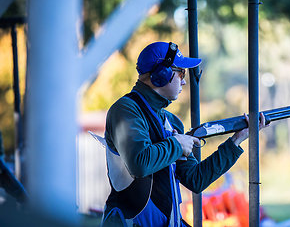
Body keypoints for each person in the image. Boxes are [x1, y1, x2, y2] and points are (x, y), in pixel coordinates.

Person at [101, 41, 268, 227]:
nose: (184, 80)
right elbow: (139, 163)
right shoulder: (126, 110)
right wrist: (177, 144)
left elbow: (196, 179)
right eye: (181, 72)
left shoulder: (171, 121)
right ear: (160, 74)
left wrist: (235, 141)